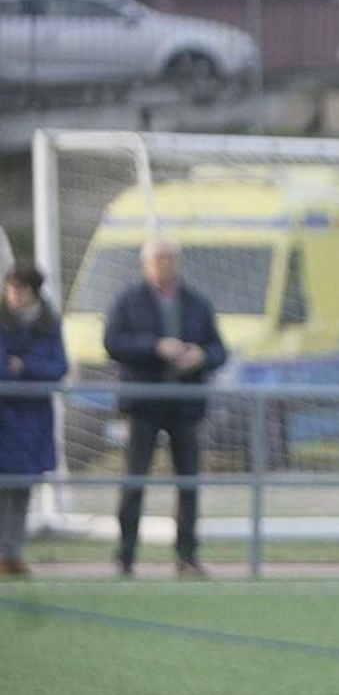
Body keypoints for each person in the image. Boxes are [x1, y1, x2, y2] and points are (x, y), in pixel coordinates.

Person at [105, 237, 228, 578]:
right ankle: (125, 556)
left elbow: (219, 349)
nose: (165, 263)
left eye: (170, 257)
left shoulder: (196, 302)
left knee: (188, 481)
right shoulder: (128, 300)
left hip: (186, 404)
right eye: (159, 258)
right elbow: (113, 343)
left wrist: (201, 356)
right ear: (146, 263)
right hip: (144, 403)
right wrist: (155, 346)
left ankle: (187, 556)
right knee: (135, 478)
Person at [0, 264, 68, 577]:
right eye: (11, 287)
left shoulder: (48, 323)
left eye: (21, 288)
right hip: (5, 417)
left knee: (23, 487)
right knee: (4, 487)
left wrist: (25, 366)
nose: (14, 294)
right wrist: (20, 372)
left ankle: (14, 552)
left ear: (33, 291)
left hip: (34, 419)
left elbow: (58, 366)